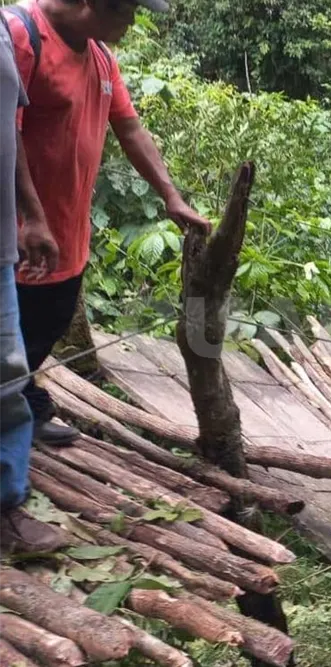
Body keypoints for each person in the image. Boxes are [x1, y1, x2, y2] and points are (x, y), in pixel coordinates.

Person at [6, 0, 211, 446]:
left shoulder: (100, 57)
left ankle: (18, 404)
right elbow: (7, 131)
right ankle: (15, 415)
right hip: (21, 234)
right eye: (127, 12)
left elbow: (130, 129)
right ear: (90, 6)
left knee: (48, 322)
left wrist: (172, 197)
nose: (133, 23)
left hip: (67, 231)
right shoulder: (22, 37)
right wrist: (32, 219)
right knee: (16, 330)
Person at [0, 6, 67, 552]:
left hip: (0, 247)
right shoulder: (22, 32)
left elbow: (10, 135)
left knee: (6, 374)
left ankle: (6, 504)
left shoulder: (4, 36)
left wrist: (31, 217)